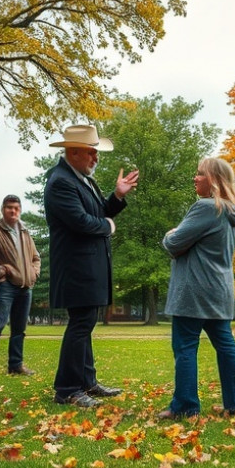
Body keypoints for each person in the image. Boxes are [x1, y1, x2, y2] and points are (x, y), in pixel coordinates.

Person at [44, 124, 139, 408]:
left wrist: (117, 196)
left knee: (84, 325)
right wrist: (108, 226)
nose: (95, 158)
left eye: (96, 153)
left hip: (88, 268)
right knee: (81, 325)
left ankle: (86, 382)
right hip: (77, 269)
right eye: (91, 152)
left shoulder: (80, 178)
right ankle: (67, 389)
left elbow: (98, 210)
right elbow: (82, 222)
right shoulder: (61, 181)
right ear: (73, 152)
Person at [158, 158, 235, 419]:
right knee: (225, 345)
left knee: (185, 346)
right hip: (219, 290)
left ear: (213, 179)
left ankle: (185, 407)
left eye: (200, 174)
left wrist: (170, 233)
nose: (195, 178)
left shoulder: (206, 208)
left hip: (194, 290)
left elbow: (174, 244)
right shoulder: (233, 212)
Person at [0, 194, 41, 380]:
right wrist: (1, 272)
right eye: (10, 207)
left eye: (17, 208)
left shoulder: (25, 232)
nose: (13, 211)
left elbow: (36, 258)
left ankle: (16, 365)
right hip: (5, 287)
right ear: (3, 209)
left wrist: (34, 273)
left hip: (25, 287)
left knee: (19, 329)